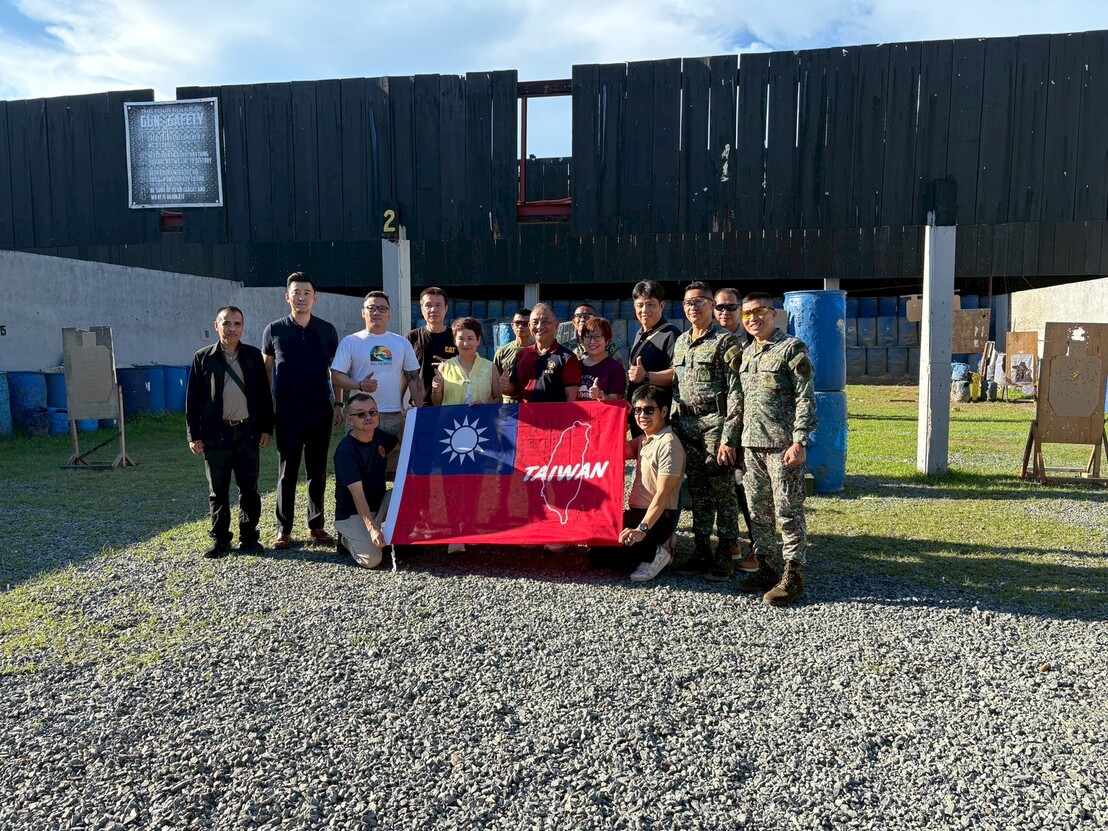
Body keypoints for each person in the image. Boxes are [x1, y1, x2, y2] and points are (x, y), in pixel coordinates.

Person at [729, 291, 817, 607]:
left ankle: (793, 574)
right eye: (747, 313)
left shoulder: (791, 349)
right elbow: (738, 402)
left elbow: (805, 397)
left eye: (759, 311)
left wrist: (800, 440)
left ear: (773, 314)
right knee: (757, 511)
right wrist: (732, 439)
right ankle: (765, 566)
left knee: (788, 511)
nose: (753, 318)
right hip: (751, 446)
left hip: (782, 447)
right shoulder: (746, 354)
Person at [186, 306, 274, 558]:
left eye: (237, 323)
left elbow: (265, 395)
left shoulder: (253, 356)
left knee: (249, 489)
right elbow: (192, 400)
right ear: (217, 326)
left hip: (247, 433)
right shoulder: (203, 358)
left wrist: (266, 428)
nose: (232, 328)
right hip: (216, 435)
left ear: (243, 327)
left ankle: (249, 538)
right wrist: (193, 435)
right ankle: (220, 539)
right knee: (218, 491)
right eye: (226, 323)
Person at [670, 281, 743, 582]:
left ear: (712, 305)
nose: (693, 307)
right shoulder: (680, 342)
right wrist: (673, 423)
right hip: (686, 425)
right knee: (698, 491)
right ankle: (702, 550)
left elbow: (737, 391)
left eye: (699, 301)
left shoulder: (726, 342)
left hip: (715, 424)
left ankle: (726, 552)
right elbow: (677, 386)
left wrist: (730, 437)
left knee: (722, 491)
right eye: (688, 302)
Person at [263, 272, 342, 550]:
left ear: (315, 298)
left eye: (307, 292)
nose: (302, 297)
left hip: (320, 411)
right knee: (287, 472)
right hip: (287, 413)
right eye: (296, 292)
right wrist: (267, 409)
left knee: (317, 471)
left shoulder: (327, 330)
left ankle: (316, 525)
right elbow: (266, 371)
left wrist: (339, 404)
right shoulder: (274, 329)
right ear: (288, 297)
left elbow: (335, 371)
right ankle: (283, 529)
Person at [589, 385, 685, 582]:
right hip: (635, 513)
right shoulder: (644, 439)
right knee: (596, 553)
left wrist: (642, 529)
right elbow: (619, 451)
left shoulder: (669, 444)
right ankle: (650, 546)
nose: (642, 415)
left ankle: (657, 551)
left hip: (658, 518)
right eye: (638, 410)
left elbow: (663, 495)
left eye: (649, 410)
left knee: (621, 556)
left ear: (663, 411)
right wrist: (616, 418)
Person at [331, 291, 423, 473]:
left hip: (393, 417)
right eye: (371, 308)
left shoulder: (401, 343)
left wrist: (421, 410)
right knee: (362, 470)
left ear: (389, 314)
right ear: (363, 312)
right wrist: (359, 385)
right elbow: (336, 376)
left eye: (382, 308)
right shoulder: (350, 342)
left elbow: (413, 378)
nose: (376, 312)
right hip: (361, 416)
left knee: (395, 471)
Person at [713, 287, 757, 571]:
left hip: (748, 427)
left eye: (731, 307)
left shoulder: (753, 341)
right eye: (720, 307)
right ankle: (730, 542)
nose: (725, 312)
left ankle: (758, 547)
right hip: (718, 426)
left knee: (746, 488)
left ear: (740, 309)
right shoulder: (710, 340)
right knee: (721, 486)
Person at [333, 393, 398, 569]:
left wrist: (407, 418)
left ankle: (393, 538)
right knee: (373, 560)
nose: (368, 417)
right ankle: (346, 539)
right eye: (361, 414)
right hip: (352, 514)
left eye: (372, 412)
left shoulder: (378, 436)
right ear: (350, 420)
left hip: (378, 505)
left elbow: (400, 443)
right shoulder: (346, 452)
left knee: (406, 493)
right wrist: (372, 528)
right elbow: (357, 495)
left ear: (378, 415)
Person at [626, 280, 682, 437]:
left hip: (659, 417)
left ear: (661, 306)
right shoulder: (639, 334)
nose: (645, 310)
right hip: (640, 414)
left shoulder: (671, 334)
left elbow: (679, 374)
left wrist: (646, 376)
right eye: (640, 305)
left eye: (651, 304)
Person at [501, 303, 581, 403]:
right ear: (529, 326)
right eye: (535, 322)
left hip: (554, 413)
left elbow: (572, 398)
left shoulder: (567, 357)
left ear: (556, 325)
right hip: (525, 412)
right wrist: (506, 386)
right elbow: (514, 391)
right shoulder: (522, 355)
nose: (539, 326)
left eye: (545, 322)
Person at [432, 317, 502, 406]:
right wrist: (436, 391)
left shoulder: (490, 367)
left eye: (470, 339)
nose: (465, 344)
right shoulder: (444, 367)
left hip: (482, 415)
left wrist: (484, 405)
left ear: (478, 340)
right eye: (461, 339)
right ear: (454, 341)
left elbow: (499, 400)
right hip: (451, 415)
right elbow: (436, 404)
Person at [407, 286, 457, 406]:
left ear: (446, 308)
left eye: (438, 305)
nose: (434, 309)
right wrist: (399, 404)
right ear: (421, 309)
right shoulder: (412, 337)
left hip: (452, 405)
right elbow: (404, 374)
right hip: (420, 406)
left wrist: (451, 366)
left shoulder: (456, 337)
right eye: (428, 305)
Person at [575, 316, 627, 402]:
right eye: (588, 337)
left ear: (607, 340)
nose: (592, 342)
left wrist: (600, 395)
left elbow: (616, 402)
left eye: (597, 337)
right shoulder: (575, 366)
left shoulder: (615, 368)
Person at [492, 308, 532, 403]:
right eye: (517, 323)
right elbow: (494, 382)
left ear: (531, 326)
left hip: (531, 403)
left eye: (525, 324)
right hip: (508, 404)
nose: (520, 327)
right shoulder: (502, 352)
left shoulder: (538, 351)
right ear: (512, 325)